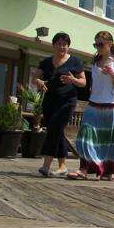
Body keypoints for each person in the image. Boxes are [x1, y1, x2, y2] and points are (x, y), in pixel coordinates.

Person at [68, 31, 114, 181]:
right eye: (96, 44)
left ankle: (107, 172)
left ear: (110, 44)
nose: (98, 47)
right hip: (94, 104)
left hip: (112, 106)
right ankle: (84, 169)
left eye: (101, 44)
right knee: (84, 137)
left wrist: (113, 74)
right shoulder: (95, 62)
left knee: (108, 140)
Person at [34, 32, 86, 177]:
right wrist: (38, 81)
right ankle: (63, 166)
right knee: (57, 131)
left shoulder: (75, 61)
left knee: (54, 129)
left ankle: (46, 165)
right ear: (54, 45)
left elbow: (83, 82)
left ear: (68, 46)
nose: (62, 47)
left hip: (67, 101)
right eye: (59, 44)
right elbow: (35, 77)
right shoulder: (46, 62)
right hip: (49, 101)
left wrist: (73, 80)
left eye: (65, 44)